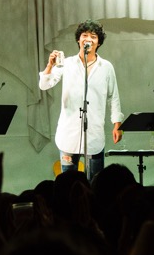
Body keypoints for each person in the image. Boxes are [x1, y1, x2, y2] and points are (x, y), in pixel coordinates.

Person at [39, 19, 124, 182]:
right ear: (78, 40)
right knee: (68, 182)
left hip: (94, 133)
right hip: (69, 132)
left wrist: (117, 125)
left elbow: (113, 97)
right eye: (84, 35)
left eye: (93, 36)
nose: (88, 39)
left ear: (99, 42)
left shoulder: (106, 67)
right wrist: (49, 66)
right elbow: (44, 85)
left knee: (96, 181)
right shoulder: (67, 63)